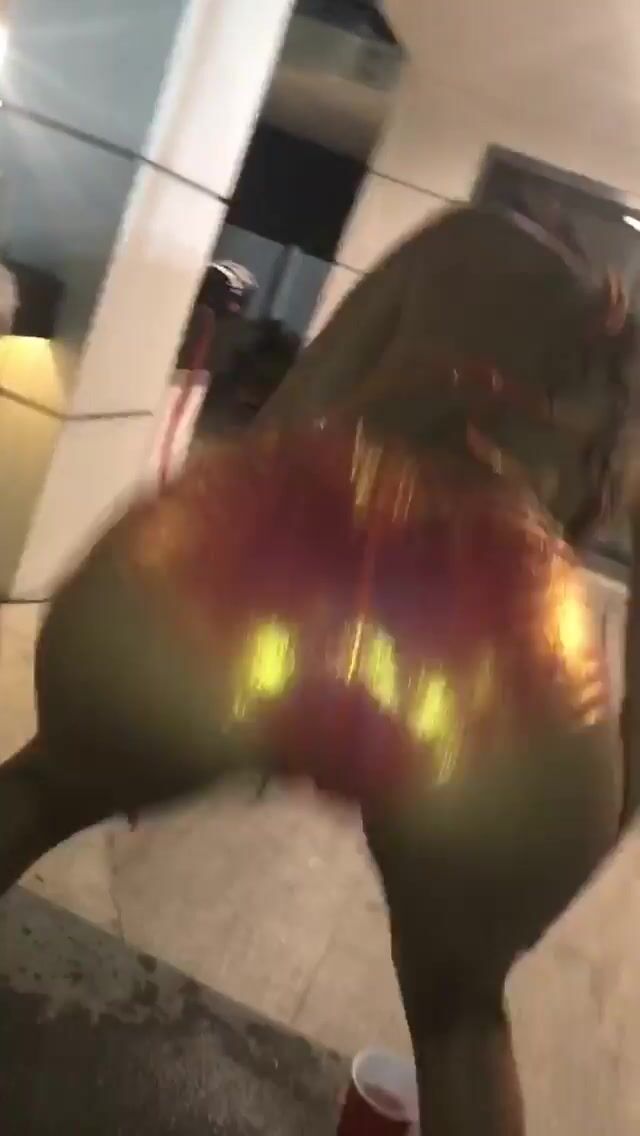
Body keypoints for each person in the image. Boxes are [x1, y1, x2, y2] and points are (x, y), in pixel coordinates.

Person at [0, 205, 636, 1136]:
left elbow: (299, 407)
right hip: (507, 650)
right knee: (460, 1015)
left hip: (288, 540)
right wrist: (587, 821)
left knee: (42, 789)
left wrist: (226, 606)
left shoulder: (473, 244)